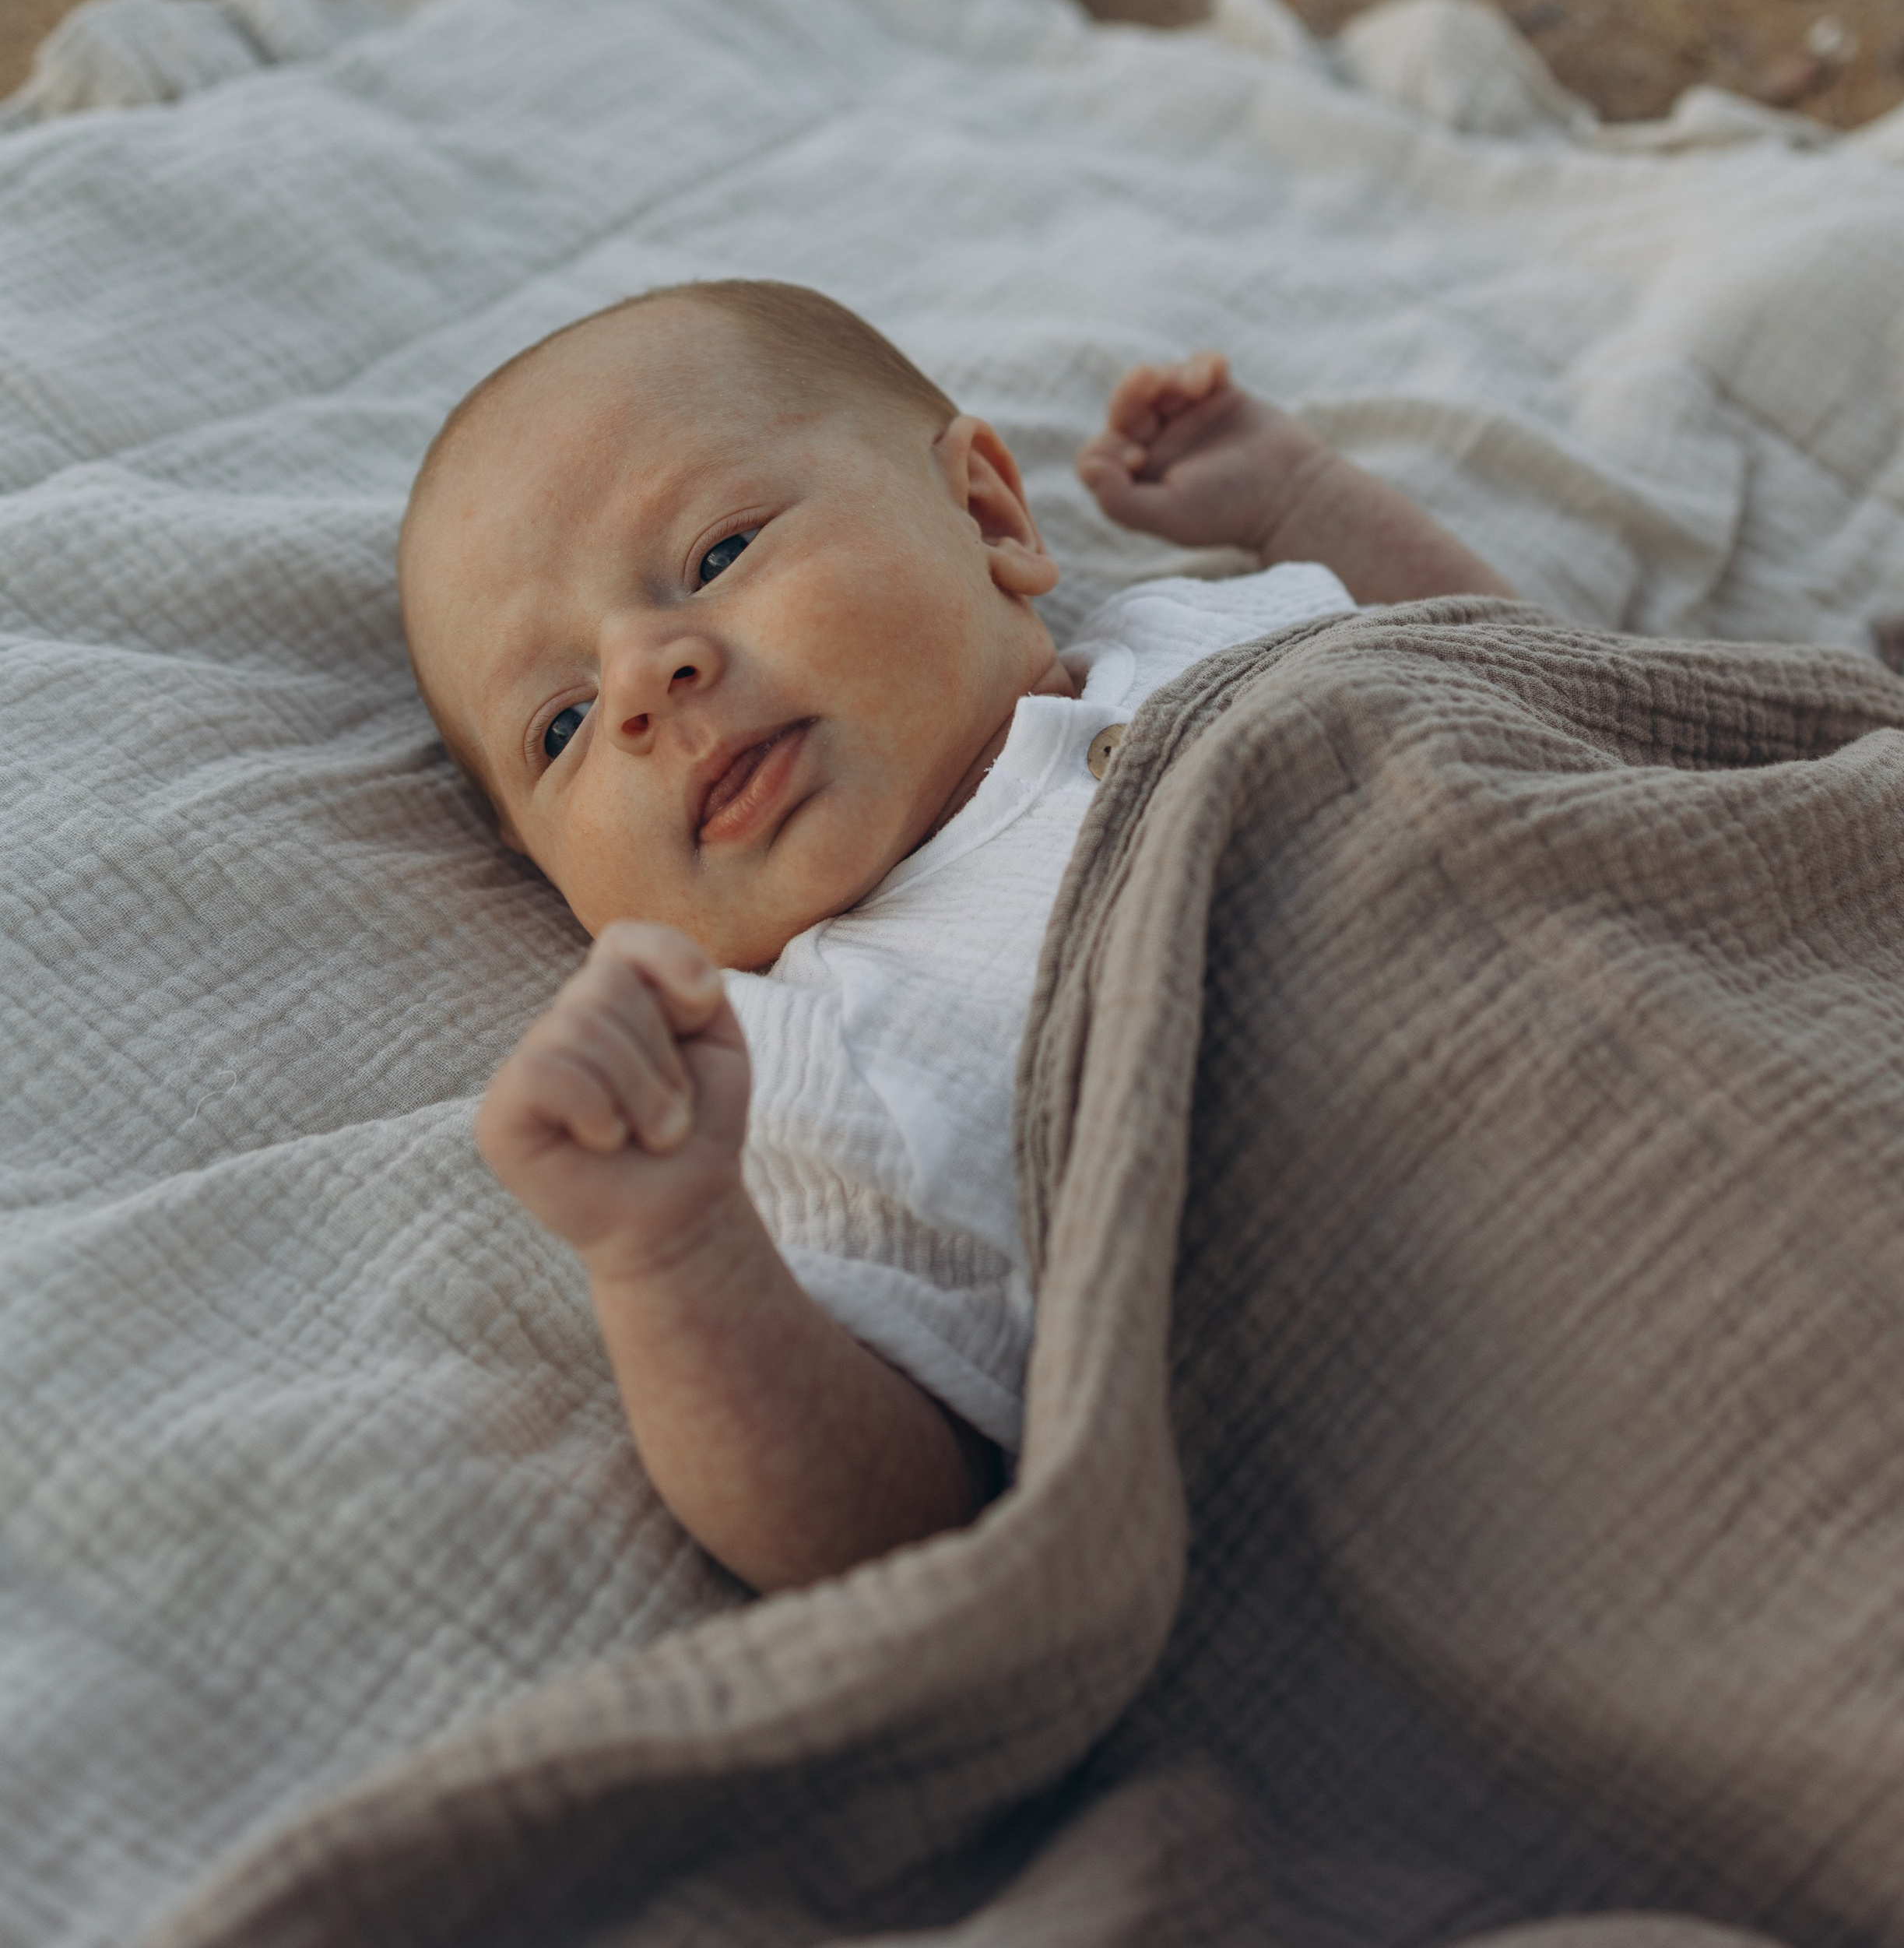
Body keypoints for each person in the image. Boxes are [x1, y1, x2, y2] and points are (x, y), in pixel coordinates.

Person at [394, 282, 1515, 1593]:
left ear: (985, 515)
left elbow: (1526, 680)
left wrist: (1306, 505)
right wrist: (673, 1250)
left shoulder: (1211, 630)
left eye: (715, 555)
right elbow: (895, 1531)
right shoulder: (804, 1056)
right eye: (561, 727)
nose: (643, 676)